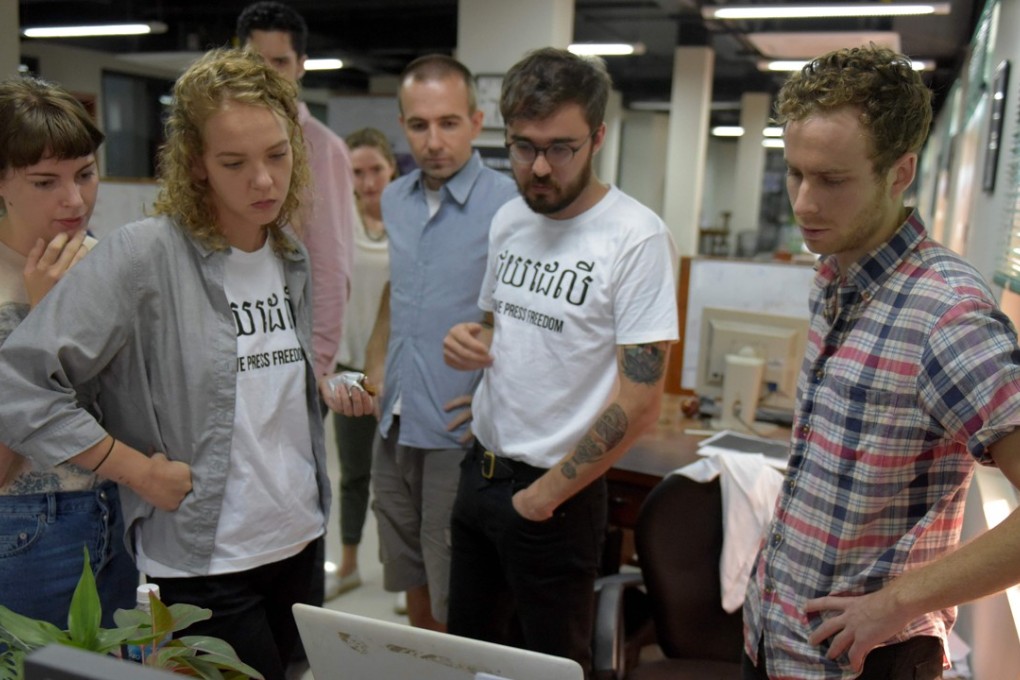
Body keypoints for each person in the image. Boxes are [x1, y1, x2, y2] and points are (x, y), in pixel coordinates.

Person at [0, 48, 331, 680]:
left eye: (278, 155)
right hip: (201, 555)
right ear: (198, 165)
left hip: (298, 534)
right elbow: (19, 386)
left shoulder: (289, 255)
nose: (263, 181)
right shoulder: (139, 256)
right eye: (234, 162)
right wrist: (137, 472)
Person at [741, 45, 1020, 680]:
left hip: (865, 662)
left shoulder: (948, 317)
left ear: (900, 172)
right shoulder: (833, 275)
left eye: (832, 180)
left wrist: (897, 602)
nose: (804, 203)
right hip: (777, 639)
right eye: (795, 174)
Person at [440, 47, 679, 674]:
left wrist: (543, 496)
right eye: (523, 147)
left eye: (561, 148)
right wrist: (471, 340)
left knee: (549, 668)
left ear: (599, 137)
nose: (539, 167)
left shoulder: (636, 237)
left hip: (557, 499)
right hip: (480, 474)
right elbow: (498, 325)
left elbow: (641, 399)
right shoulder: (510, 219)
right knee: (465, 658)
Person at [321, 54, 517, 630]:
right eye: (419, 125)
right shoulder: (397, 201)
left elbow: (524, 319)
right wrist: (376, 372)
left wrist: (490, 399)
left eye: (449, 123)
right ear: (403, 124)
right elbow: (393, 298)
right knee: (410, 581)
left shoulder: (508, 207)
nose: (434, 140)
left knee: (456, 587)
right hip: (394, 423)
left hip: (456, 434)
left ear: (477, 123)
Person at [0, 75, 137, 628]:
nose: (74, 200)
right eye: (44, 182)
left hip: (123, 513)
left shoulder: (113, 263)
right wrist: (42, 323)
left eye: (85, 174)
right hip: (25, 526)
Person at [236, 0, 356, 380]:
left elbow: (331, 266)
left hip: (290, 350)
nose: (267, 75)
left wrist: (317, 365)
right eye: (256, 61)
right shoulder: (223, 138)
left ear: (301, 64)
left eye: (280, 63)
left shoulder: (323, 149)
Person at [326, 127, 398, 599]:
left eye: (376, 170)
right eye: (357, 172)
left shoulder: (410, 222)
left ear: (392, 169)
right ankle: (349, 563)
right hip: (350, 365)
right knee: (353, 474)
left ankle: (401, 577)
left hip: (398, 372)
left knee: (396, 481)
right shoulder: (338, 223)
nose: (368, 181)